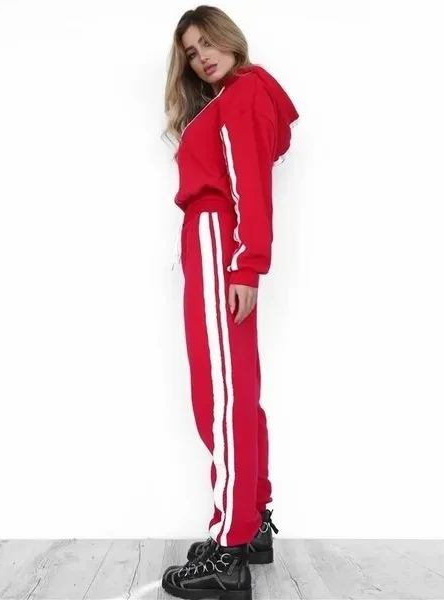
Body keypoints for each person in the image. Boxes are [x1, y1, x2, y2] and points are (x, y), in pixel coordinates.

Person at [160, 6, 298, 599]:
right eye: (191, 53)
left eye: (208, 43)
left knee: (220, 396)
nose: (202, 57)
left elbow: (249, 183)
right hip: (214, 242)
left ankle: (229, 551)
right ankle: (252, 522)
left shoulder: (242, 94)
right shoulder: (234, 97)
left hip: (220, 241)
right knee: (234, 390)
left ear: (230, 39)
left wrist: (246, 263)